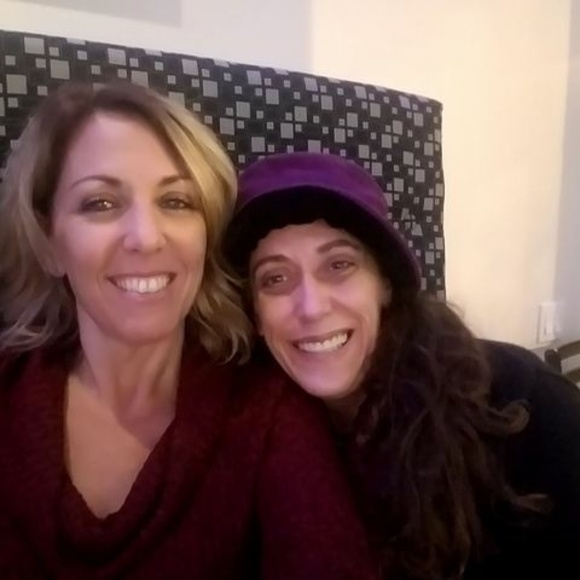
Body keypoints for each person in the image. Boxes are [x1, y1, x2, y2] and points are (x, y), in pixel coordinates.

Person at [0, 85, 378, 579]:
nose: (146, 237)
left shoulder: (266, 416)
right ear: (48, 243)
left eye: (176, 201)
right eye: (101, 203)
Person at [226, 151, 580, 580]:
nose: (311, 307)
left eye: (339, 265)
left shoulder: (527, 406)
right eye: (275, 279)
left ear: (386, 285)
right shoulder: (249, 441)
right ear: (255, 315)